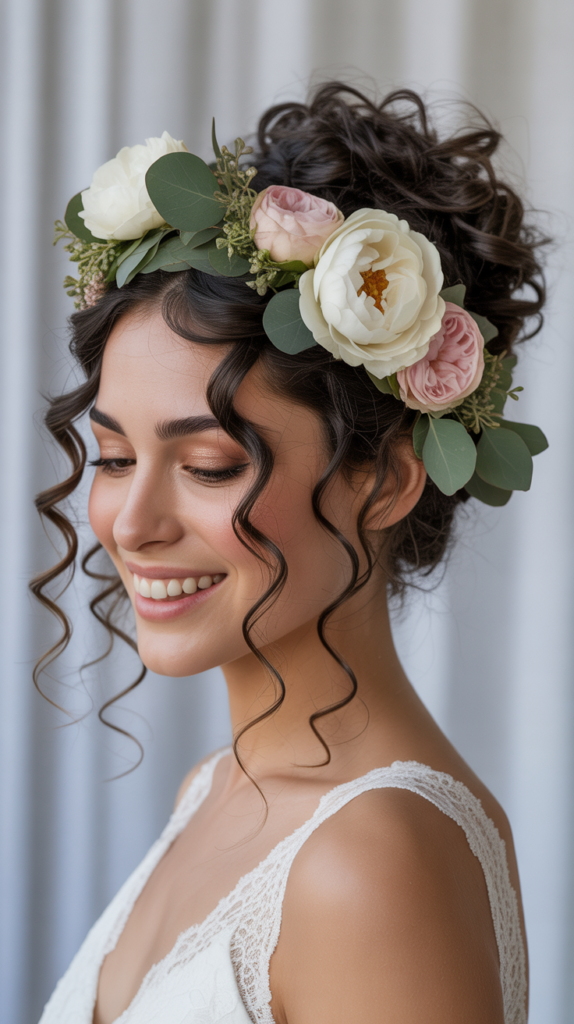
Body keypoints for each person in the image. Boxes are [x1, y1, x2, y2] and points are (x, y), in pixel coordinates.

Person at [34, 82, 547, 1024]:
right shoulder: (217, 786)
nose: (130, 521)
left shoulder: (370, 861)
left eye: (210, 464)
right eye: (112, 456)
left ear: (388, 480)